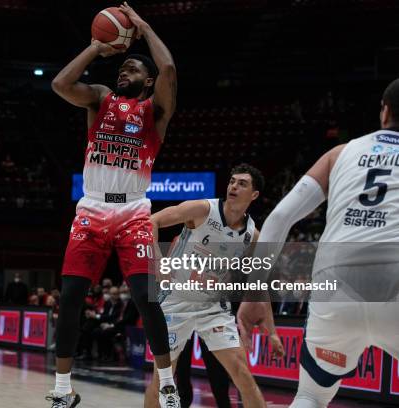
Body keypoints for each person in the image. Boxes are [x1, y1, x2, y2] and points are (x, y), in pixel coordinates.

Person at [48, 2, 178, 407]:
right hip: (91, 209)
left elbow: (170, 70)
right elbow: (60, 85)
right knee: (70, 296)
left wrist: (141, 26)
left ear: (148, 81)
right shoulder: (100, 98)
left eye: (133, 70)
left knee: (145, 294)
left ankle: (168, 382)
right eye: (124, 68)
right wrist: (94, 48)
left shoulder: (154, 111)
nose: (125, 73)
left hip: (135, 211)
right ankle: (62, 389)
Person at [251, 78, 399, 407]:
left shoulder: (339, 154)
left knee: (311, 396)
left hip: (337, 285)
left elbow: (278, 219)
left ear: (384, 111)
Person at [144, 164, 284, 408]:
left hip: (213, 308)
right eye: (232, 181)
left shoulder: (254, 237)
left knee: (244, 377)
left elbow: (258, 288)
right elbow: (152, 221)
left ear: (254, 195)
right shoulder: (202, 209)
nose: (234, 186)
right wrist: (156, 259)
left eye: (242, 183)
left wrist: (271, 332)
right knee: (163, 382)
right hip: (176, 302)